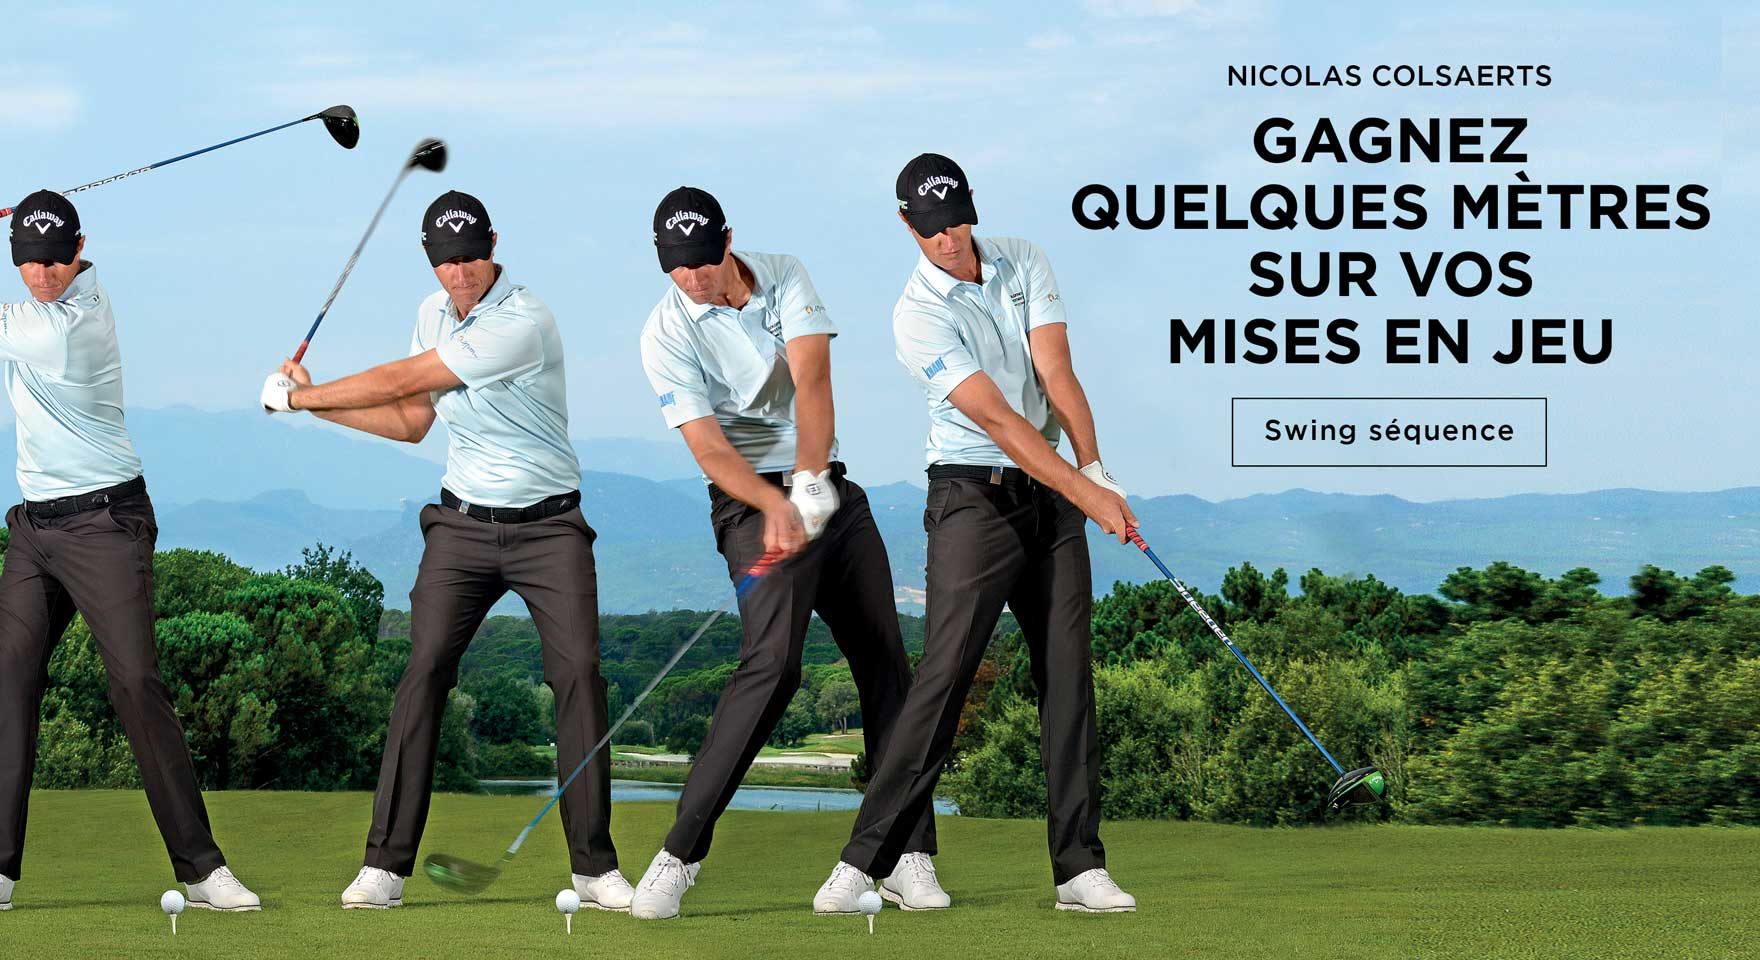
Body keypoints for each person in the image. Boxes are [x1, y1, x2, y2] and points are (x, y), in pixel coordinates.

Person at [259, 191, 631, 911]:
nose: (460, 272)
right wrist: (313, 407)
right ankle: (384, 867)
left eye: (470, 256)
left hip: (549, 528)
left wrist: (303, 398)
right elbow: (409, 421)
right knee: (424, 672)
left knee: (579, 675)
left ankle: (594, 870)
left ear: (494, 244)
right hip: (460, 528)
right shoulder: (432, 312)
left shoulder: (524, 320)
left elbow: (409, 380)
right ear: (430, 260)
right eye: (445, 260)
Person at [0, 192, 260, 913]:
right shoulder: (40, 314)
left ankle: (202, 868)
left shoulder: (77, 323)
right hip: (34, 529)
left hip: (105, 524)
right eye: (29, 263)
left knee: (135, 684)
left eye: (54, 261)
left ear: (80, 248)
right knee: (12, 686)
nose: (42, 275)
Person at [816, 153, 1136, 915]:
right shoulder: (915, 315)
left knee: (1068, 677)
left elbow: (1056, 373)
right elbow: (997, 419)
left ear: (971, 208)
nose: (948, 238)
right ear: (908, 226)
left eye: (956, 221)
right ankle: (864, 861)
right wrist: (1086, 492)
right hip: (971, 497)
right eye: (932, 228)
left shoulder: (1023, 260)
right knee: (945, 677)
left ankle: (1078, 870)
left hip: (1052, 494)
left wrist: (1097, 469)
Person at [624, 187, 940, 920]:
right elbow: (708, 449)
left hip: (826, 485)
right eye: (677, 266)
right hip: (748, 501)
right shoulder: (663, 332)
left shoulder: (784, 275)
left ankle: (906, 855)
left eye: (704, 260)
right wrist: (776, 506)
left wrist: (809, 480)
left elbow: (813, 381)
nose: (693, 276)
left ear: (728, 241)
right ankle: (679, 856)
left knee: (887, 664)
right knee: (773, 666)